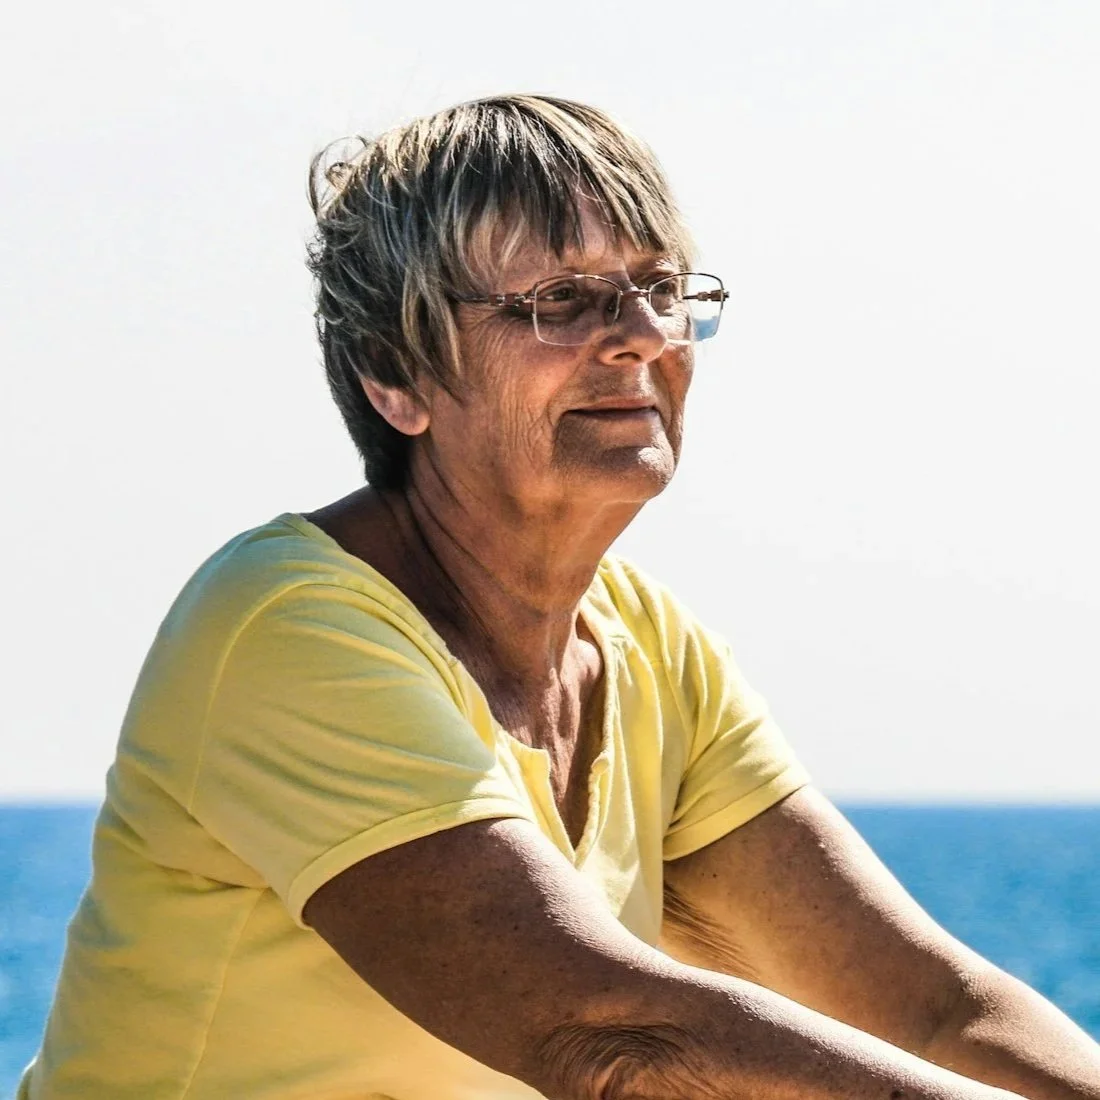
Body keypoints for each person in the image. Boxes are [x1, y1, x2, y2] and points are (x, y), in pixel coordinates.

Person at [19, 94, 1100, 1100]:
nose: (642, 336)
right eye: (561, 301)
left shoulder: (652, 648)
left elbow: (930, 1008)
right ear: (394, 376)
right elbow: (613, 1036)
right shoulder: (288, 628)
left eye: (660, 290)